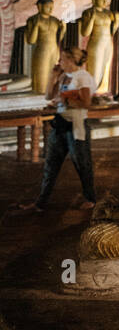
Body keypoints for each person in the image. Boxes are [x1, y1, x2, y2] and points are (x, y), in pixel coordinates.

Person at [18, 46, 96, 214]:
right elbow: (48, 96)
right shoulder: (63, 76)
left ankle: (90, 199)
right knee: (50, 165)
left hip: (76, 126)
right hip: (60, 123)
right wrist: (52, 77)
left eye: (62, 59)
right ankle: (40, 202)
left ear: (70, 60)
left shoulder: (83, 77)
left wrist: (65, 99)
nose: (59, 62)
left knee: (82, 164)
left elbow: (86, 102)